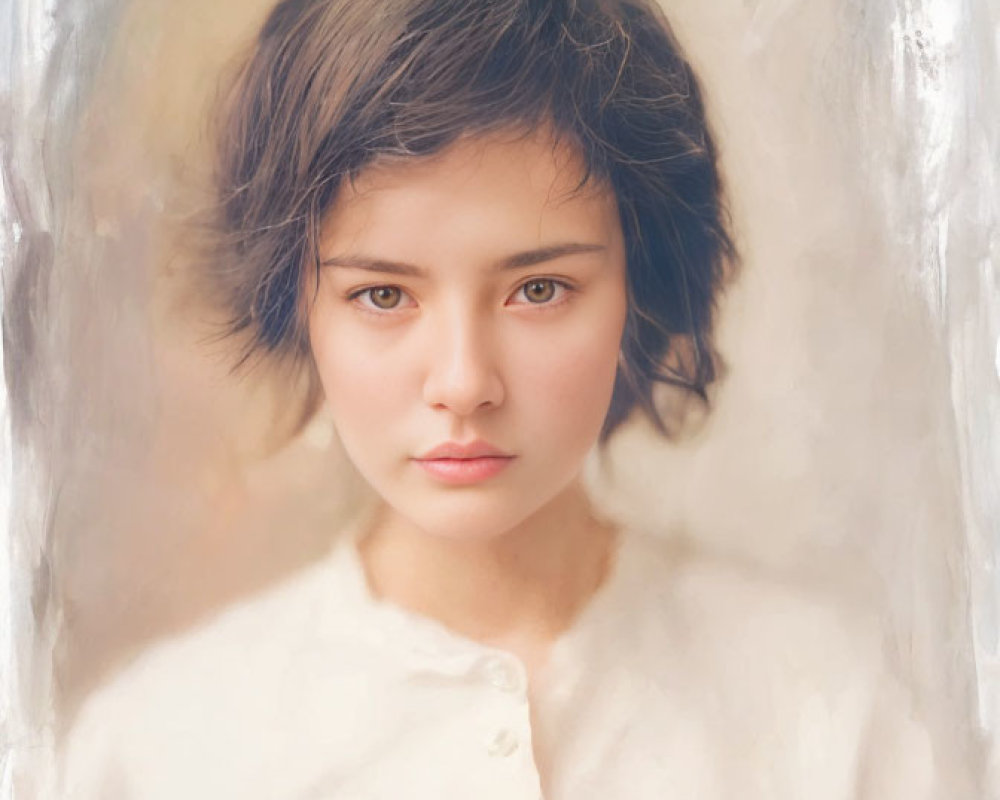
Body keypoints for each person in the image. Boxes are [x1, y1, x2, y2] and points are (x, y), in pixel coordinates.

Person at [57, 0, 980, 797]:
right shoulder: (156, 751)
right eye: (383, 295)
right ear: (295, 301)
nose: (463, 382)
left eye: (538, 290)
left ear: (640, 286)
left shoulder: (839, 715)